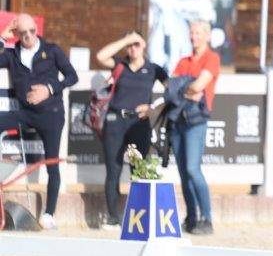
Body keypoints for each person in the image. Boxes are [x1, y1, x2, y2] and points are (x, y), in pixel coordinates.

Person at [0, 14, 79, 230]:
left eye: (32, 31)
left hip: (50, 113)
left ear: (37, 29)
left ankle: (49, 213)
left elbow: (72, 76)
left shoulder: (51, 50)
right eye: (23, 33)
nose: (28, 36)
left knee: (52, 162)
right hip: (25, 113)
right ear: (17, 34)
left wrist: (49, 89)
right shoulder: (12, 54)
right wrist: (3, 37)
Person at [95, 31, 168, 226]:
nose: (133, 48)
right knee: (113, 170)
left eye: (136, 44)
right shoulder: (120, 64)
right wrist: (126, 40)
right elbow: (101, 56)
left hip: (139, 122)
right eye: (130, 45)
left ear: (144, 45)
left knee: (139, 170)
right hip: (115, 121)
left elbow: (171, 92)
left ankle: (139, 218)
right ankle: (113, 217)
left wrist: (153, 108)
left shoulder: (154, 69)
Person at [170, 19, 220, 234]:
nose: (194, 37)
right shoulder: (183, 61)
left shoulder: (212, 58)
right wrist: (188, 89)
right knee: (183, 172)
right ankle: (192, 217)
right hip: (178, 120)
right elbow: (171, 87)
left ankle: (207, 218)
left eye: (198, 33)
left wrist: (184, 87)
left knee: (192, 169)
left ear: (207, 36)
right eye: (192, 33)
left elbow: (199, 85)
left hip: (196, 120)